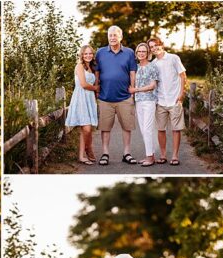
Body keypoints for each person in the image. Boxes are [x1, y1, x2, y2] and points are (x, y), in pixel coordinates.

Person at [95, 26, 138, 165]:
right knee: (105, 127)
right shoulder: (100, 52)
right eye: (110, 35)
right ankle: (105, 153)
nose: (112, 38)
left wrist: (132, 90)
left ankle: (126, 153)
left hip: (125, 97)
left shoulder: (129, 53)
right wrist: (96, 88)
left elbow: (132, 72)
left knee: (127, 126)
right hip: (104, 97)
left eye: (115, 35)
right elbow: (97, 72)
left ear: (121, 37)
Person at [148, 37, 187, 166]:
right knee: (161, 129)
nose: (154, 48)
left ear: (161, 45)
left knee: (176, 129)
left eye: (156, 45)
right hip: (160, 101)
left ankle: (175, 156)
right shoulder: (153, 64)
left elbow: (183, 76)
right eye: (151, 47)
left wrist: (181, 94)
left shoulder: (173, 58)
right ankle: (163, 155)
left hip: (174, 99)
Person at [65, 44, 99, 165]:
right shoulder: (79, 66)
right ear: (82, 55)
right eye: (86, 54)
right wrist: (96, 88)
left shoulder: (92, 68)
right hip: (81, 98)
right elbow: (84, 84)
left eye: (90, 53)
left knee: (87, 129)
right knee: (86, 128)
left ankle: (81, 156)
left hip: (90, 99)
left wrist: (96, 95)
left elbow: (94, 83)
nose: (88, 55)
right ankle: (88, 149)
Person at [131, 42, 160, 167]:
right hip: (138, 101)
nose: (141, 53)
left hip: (149, 101)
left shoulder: (152, 66)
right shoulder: (135, 67)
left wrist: (136, 90)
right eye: (139, 51)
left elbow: (153, 85)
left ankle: (149, 157)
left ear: (148, 53)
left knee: (148, 129)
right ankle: (151, 155)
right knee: (143, 129)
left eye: (144, 51)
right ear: (136, 54)